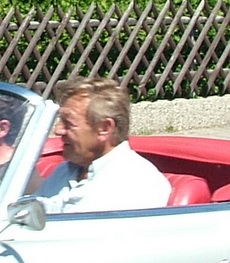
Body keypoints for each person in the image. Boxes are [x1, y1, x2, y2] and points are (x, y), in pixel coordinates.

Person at [36, 76, 171, 213]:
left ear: (104, 129)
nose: (58, 130)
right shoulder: (66, 170)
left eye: (68, 123)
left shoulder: (136, 183)